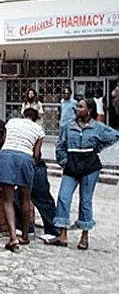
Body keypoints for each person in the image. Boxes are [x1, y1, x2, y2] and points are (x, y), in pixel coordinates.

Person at [45, 98, 119, 250]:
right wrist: (63, 161)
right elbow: (61, 145)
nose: (77, 109)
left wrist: (96, 148)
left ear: (89, 110)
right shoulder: (68, 126)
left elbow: (114, 136)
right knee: (63, 197)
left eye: (80, 107)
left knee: (86, 201)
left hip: (90, 167)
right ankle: (63, 235)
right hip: (71, 166)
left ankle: (84, 236)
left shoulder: (97, 127)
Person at [0, 108, 45, 252]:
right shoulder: (39, 130)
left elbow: (3, 140)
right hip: (25, 157)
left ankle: (13, 237)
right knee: (25, 199)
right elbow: (36, 154)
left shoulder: (12, 122)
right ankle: (25, 235)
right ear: (36, 118)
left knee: (8, 199)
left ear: (23, 115)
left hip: (7, 156)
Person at [13, 159, 60, 238]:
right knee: (18, 197)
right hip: (27, 164)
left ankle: (53, 229)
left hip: (34, 165)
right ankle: (25, 227)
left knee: (41, 198)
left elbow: (36, 154)